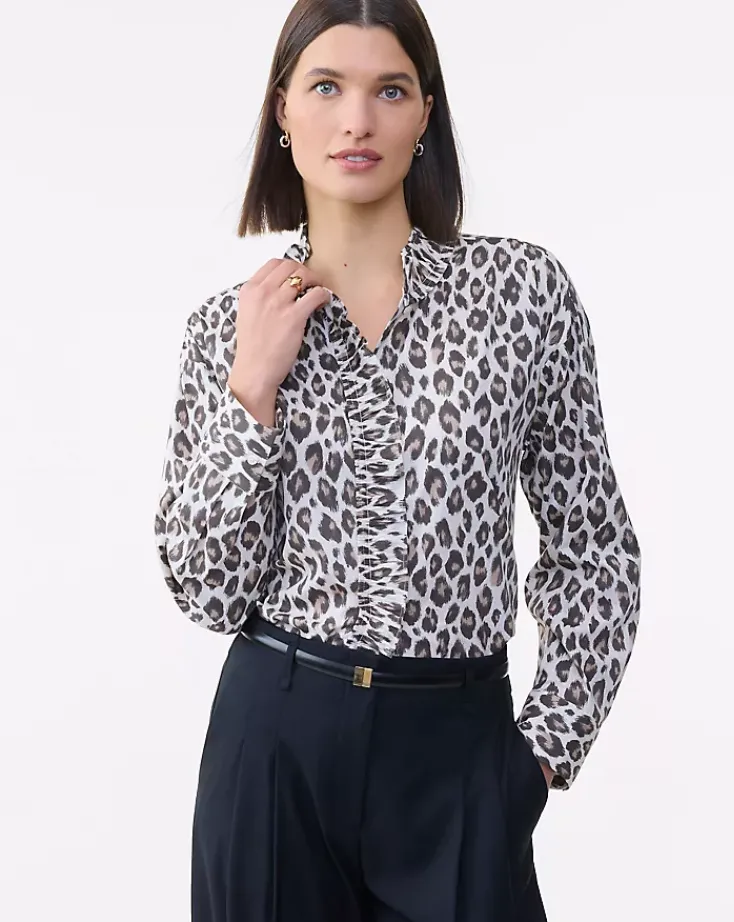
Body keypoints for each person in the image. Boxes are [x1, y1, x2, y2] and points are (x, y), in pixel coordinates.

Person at [153, 1, 642, 920]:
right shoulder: (226, 328)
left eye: (389, 90)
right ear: (282, 110)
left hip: (458, 751)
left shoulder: (521, 294)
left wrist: (540, 754)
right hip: (276, 750)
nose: (357, 120)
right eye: (326, 87)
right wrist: (250, 391)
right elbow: (208, 594)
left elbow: (593, 545)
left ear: (425, 114)